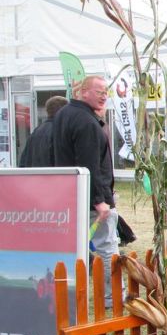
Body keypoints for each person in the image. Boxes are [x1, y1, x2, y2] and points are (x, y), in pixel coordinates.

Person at [53, 76, 120, 308]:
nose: (104, 95)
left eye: (106, 91)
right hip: (91, 198)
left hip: (71, 194)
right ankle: (113, 298)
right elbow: (88, 165)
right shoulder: (86, 122)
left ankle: (70, 294)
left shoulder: (64, 114)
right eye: (99, 91)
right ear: (82, 92)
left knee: (76, 247)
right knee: (107, 247)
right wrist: (100, 201)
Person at [19, 96, 68, 167]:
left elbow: (23, 161)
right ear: (64, 111)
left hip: (35, 176)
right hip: (53, 176)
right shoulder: (60, 131)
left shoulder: (36, 132)